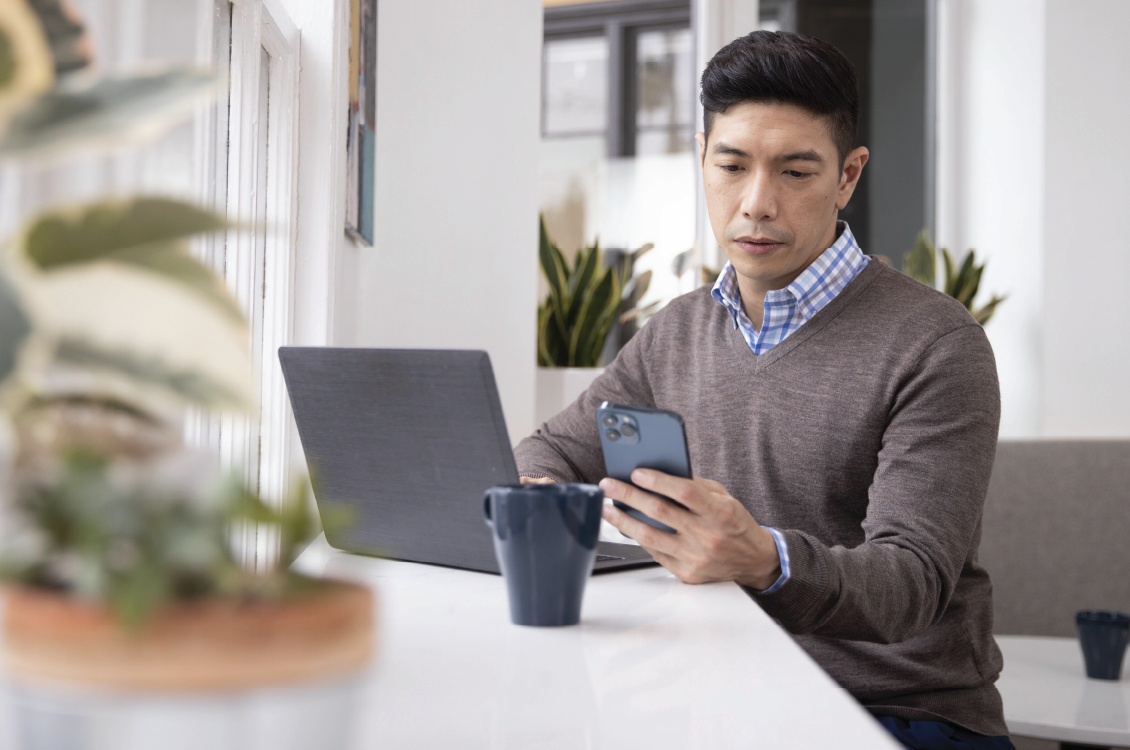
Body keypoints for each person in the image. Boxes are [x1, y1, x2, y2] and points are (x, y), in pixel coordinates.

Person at [515, 30, 1014, 750]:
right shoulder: (676, 331)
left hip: (897, 713)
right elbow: (552, 451)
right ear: (702, 159)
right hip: (720, 696)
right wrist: (565, 505)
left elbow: (910, 583)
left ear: (848, 177)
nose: (756, 203)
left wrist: (764, 557)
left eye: (796, 172)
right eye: (733, 165)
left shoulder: (937, 344)